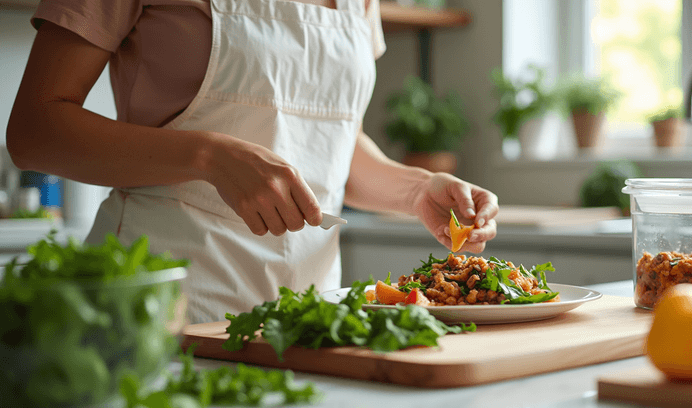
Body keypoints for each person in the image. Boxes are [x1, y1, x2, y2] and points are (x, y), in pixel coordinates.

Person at [6, 0, 499, 324]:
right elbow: (34, 129)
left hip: (309, 317)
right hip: (163, 306)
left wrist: (417, 190)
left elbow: (329, 140)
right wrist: (209, 155)